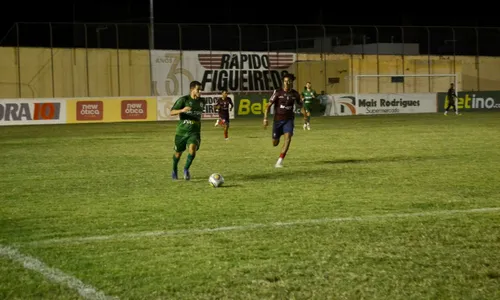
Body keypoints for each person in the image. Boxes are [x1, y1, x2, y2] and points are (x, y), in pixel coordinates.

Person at [263, 73, 303, 168]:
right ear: (283, 82)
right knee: (275, 143)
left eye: (288, 81)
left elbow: (301, 105)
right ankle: (277, 136)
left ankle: (279, 161)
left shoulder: (295, 94)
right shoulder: (277, 92)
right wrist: (265, 118)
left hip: (288, 120)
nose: (287, 83)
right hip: (277, 121)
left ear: (292, 82)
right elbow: (268, 106)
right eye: (285, 81)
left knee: (288, 138)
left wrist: (305, 113)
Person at [170, 81, 204, 180]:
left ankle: (186, 169)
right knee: (178, 153)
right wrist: (182, 110)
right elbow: (172, 112)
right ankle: (174, 169)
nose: (200, 91)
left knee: (192, 150)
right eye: (198, 89)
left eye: (201, 89)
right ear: (191, 89)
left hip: (194, 132)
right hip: (181, 132)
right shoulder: (183, 100)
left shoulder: (202, 101)